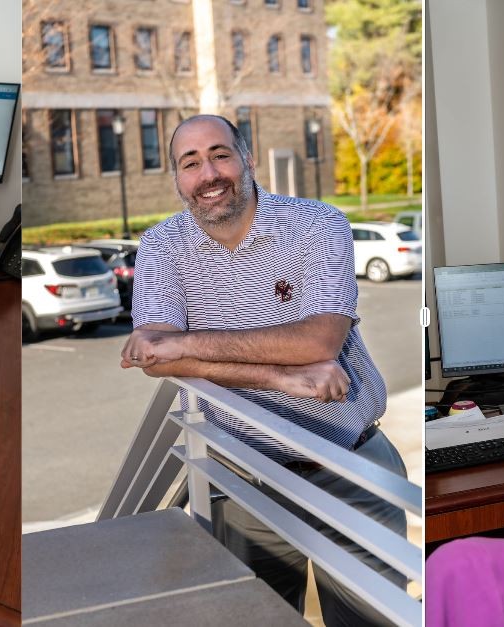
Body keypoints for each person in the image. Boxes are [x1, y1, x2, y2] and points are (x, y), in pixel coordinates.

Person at [120, 114, 406, 626]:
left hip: (350, 467)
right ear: (177, 179)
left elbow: (320, 340)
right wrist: (282, 376)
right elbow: (153, 360)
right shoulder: (162, 245)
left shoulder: (318, 225)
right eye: (190, 163)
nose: (208, 173)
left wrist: (181, 343)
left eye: (220, 154)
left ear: (248, 158)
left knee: (372, 621)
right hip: (239, 479)